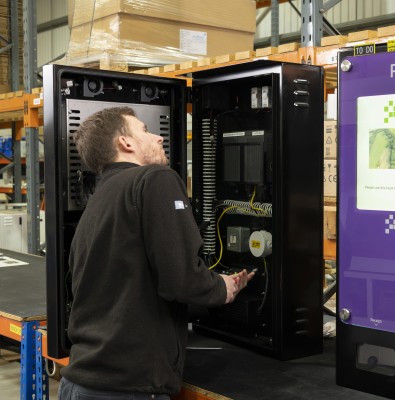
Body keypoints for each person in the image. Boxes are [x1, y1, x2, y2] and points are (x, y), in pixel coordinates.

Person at [57, 106, 254, 399]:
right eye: (145, 130)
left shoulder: (97, 202)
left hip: (79, 383)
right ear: (126, 143)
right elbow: (182, 279)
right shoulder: (155, 178)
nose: (159, 138)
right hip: (128, 387)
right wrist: (221, 288)